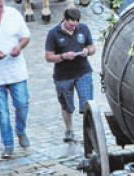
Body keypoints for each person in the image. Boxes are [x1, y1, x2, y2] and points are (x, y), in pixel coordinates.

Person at [0, 0, 32, 160]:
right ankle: (8, 144)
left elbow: (25, 36)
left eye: (1, 6)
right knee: (2, 112)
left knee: (22, 103)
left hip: (16, 71)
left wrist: (19, 47)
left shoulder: (13, 14)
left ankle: (20, 130)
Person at [45, 7, 95, 143]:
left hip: (83, 71)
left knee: (87, 103)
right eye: (70, 25)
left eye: (75, 25)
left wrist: (87, 51)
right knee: (66, 106)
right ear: (63, 19)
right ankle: (69, 130)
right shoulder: (53, 33)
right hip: (63, 76)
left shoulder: (83, 29)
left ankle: (89, 133)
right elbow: (49, 57)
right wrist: (63, 56)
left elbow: (92, 47)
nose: (73, 28)